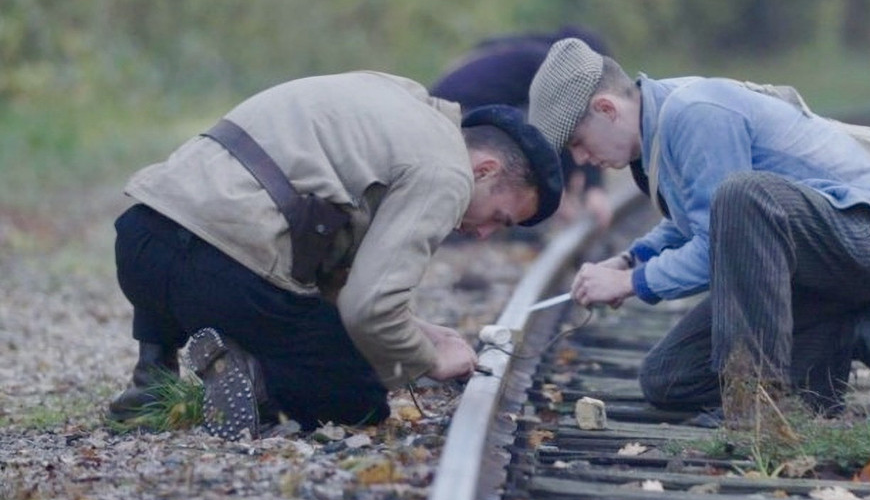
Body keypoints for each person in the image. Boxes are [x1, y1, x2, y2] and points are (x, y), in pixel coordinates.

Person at [107, 71, 563, 439]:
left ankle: (152, 379)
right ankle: (252, 374)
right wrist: (427, 358)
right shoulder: (446, 172)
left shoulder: (395, 99)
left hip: (141, 238)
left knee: (212, 261)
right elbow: (368, 310)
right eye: (499, 218)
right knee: (356, 398)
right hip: (219, 269)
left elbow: (334, 269)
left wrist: (420, 329)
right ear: (485, 170)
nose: (483, 234)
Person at [526, 38, 870, 422]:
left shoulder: (695, 113)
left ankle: (758, 404)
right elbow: (698, 219)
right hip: (803, 261)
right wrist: (632, 259)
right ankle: (850, 325)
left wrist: (630, 282)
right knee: (667, 378)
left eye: (577, 143)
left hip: (866, 237)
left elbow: (717, 240)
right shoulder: (661, 125)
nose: (580, 159)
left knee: (741, 196)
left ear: (607, 108)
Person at [431, 26, 614, 229]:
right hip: (459, 119)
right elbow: (572, 122)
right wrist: (590, 188)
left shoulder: (517, 50)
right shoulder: (549, 63)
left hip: (447, 113)